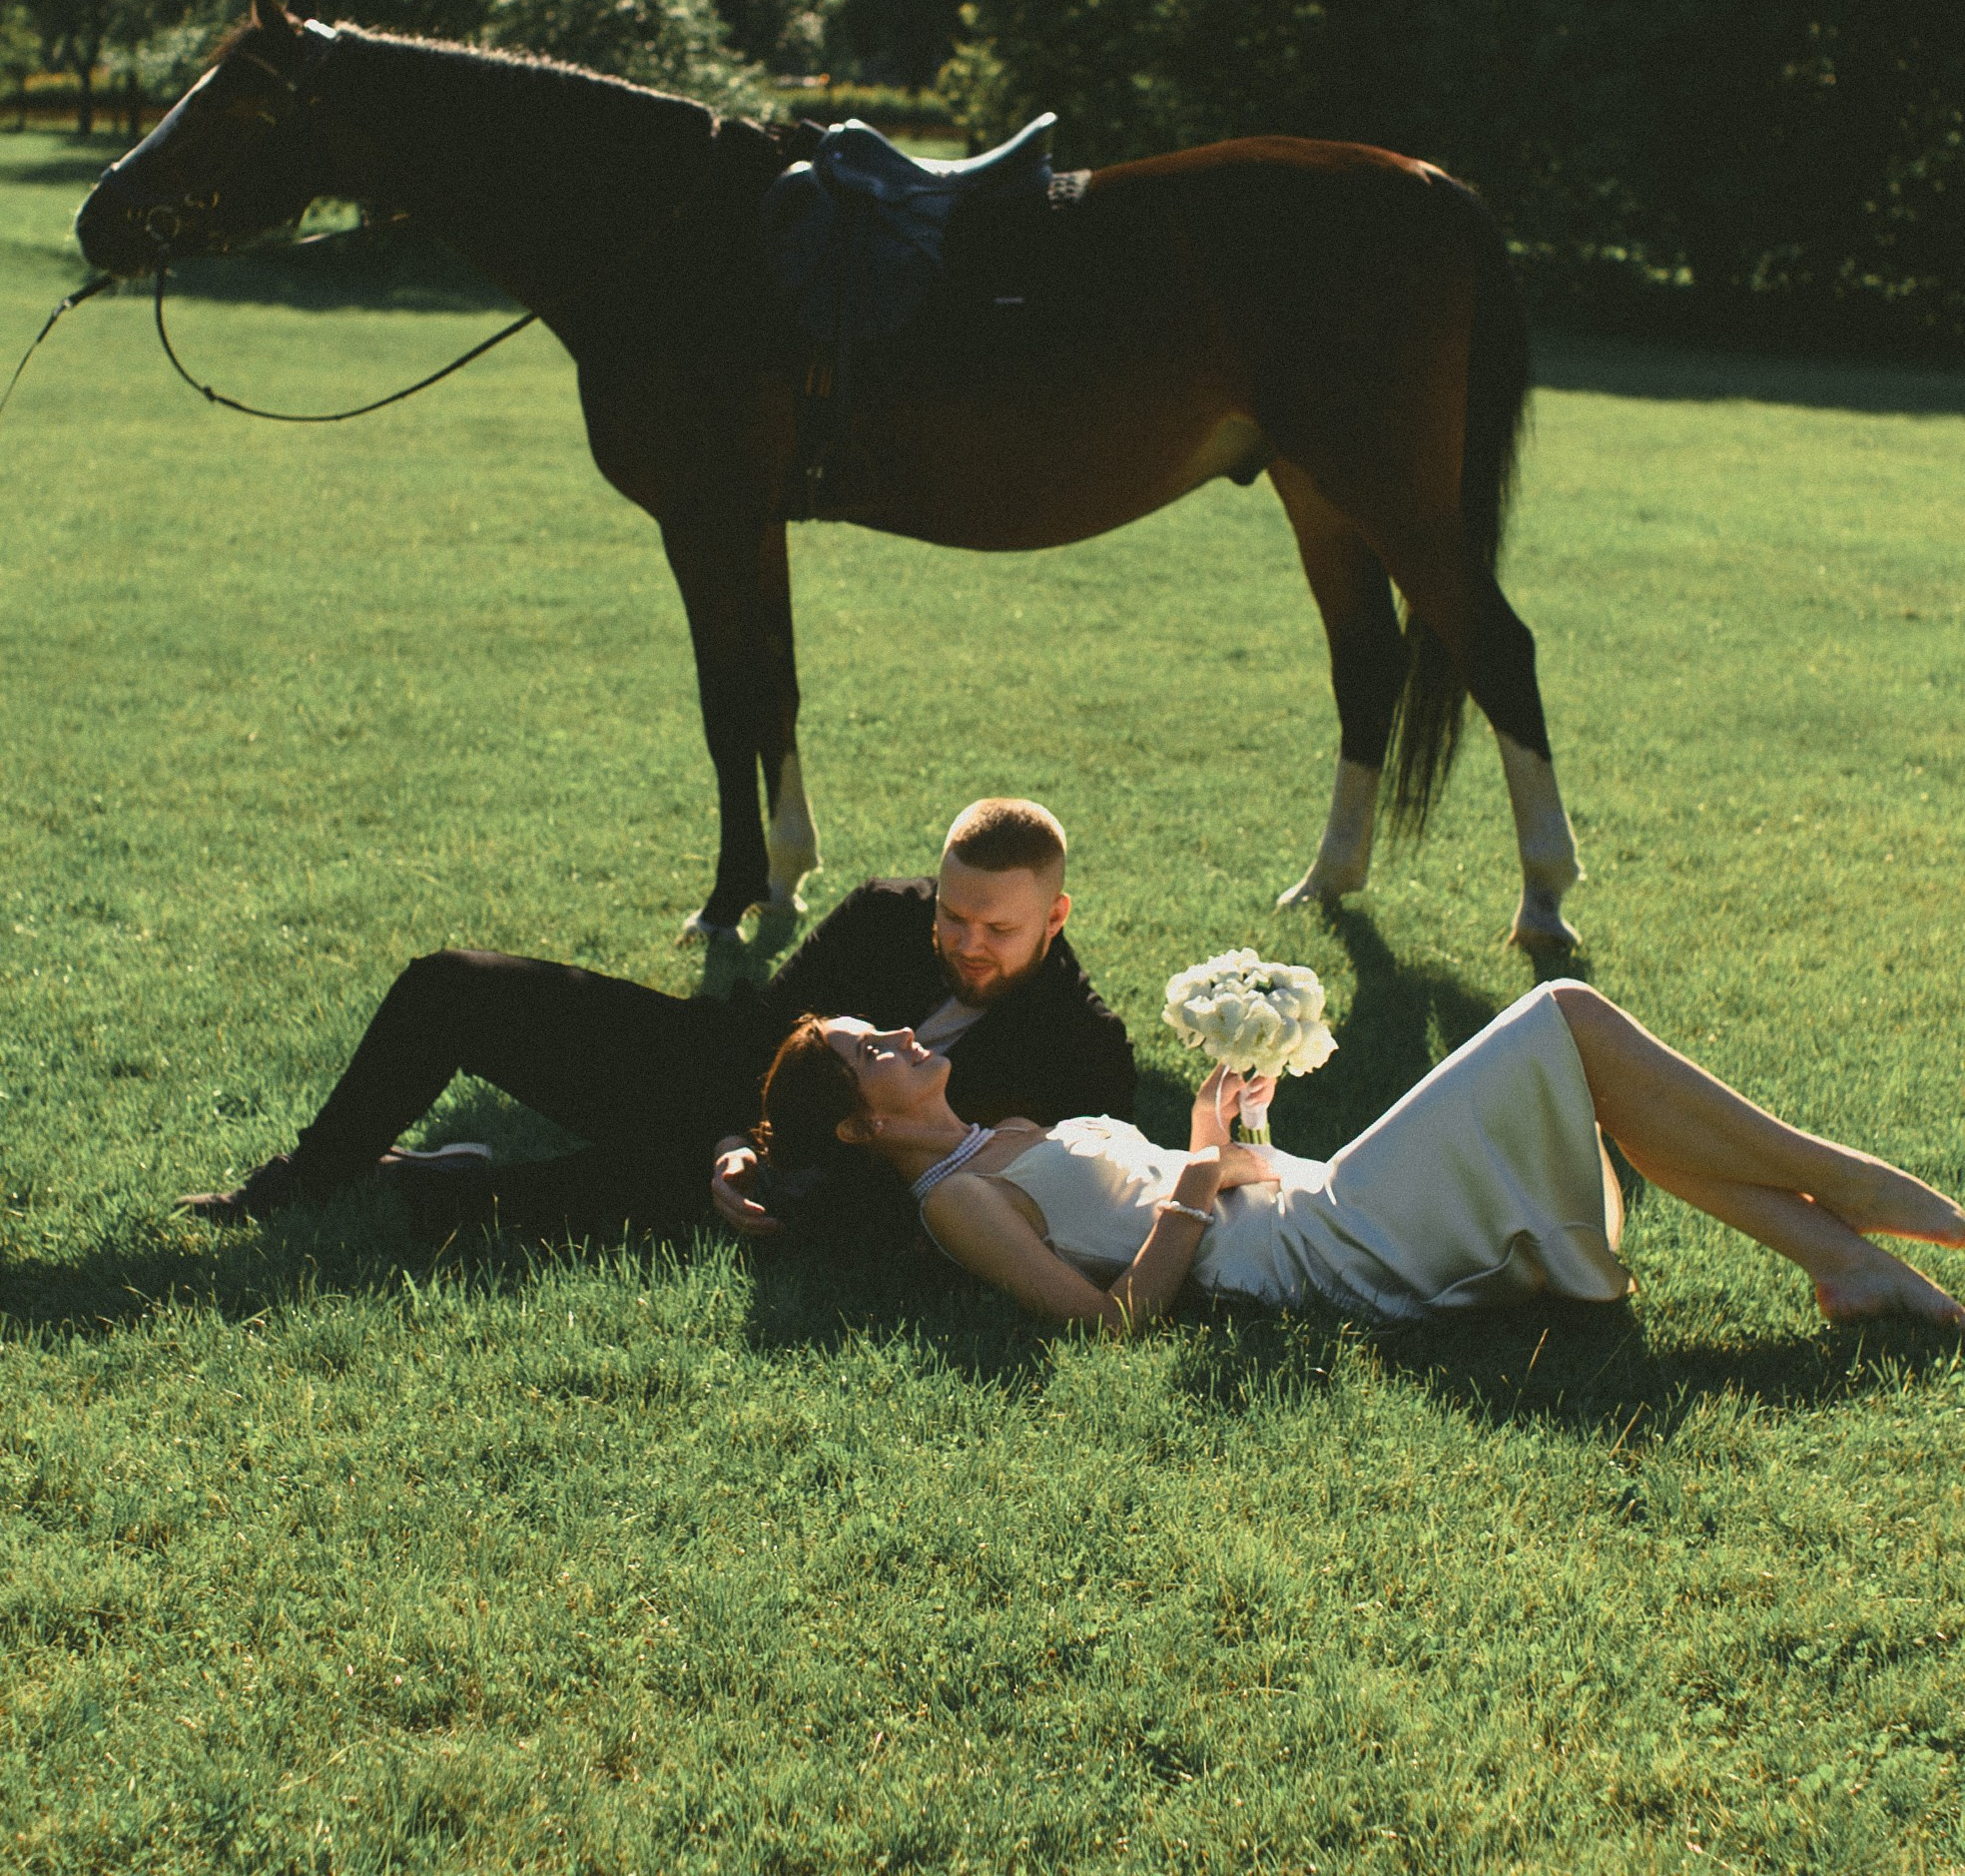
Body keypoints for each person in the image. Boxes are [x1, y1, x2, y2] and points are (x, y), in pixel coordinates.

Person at [756, 979, 1965, 1333]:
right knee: (1567, 1019)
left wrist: (1241, 1131)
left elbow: (1208, 1186)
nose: (905, 1033)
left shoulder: (996, 1130)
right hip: (1316, 1256)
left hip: (1309, 1203)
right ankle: (1857, 1192)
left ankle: (1849, 1256)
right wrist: (1196, 1167)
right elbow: (1106, 1325)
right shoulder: (956, 1198)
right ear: (862, 1124)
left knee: (1591, 1075)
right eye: (873, 1050)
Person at [180, 797, 1134, 1238]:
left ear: (1054, 917)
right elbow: (758, 1027)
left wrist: (756, 1167)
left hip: (793, 1195)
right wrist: (729, 1129)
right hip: (708, 1088)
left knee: (487, 1223)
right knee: (449, 983)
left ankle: (436, 1180)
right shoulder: (888, 911)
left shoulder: (1082, 1050)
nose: (966, 943)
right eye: (952, 914)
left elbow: (1038, 1193)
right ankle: (300, 1180)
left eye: (996, 929)